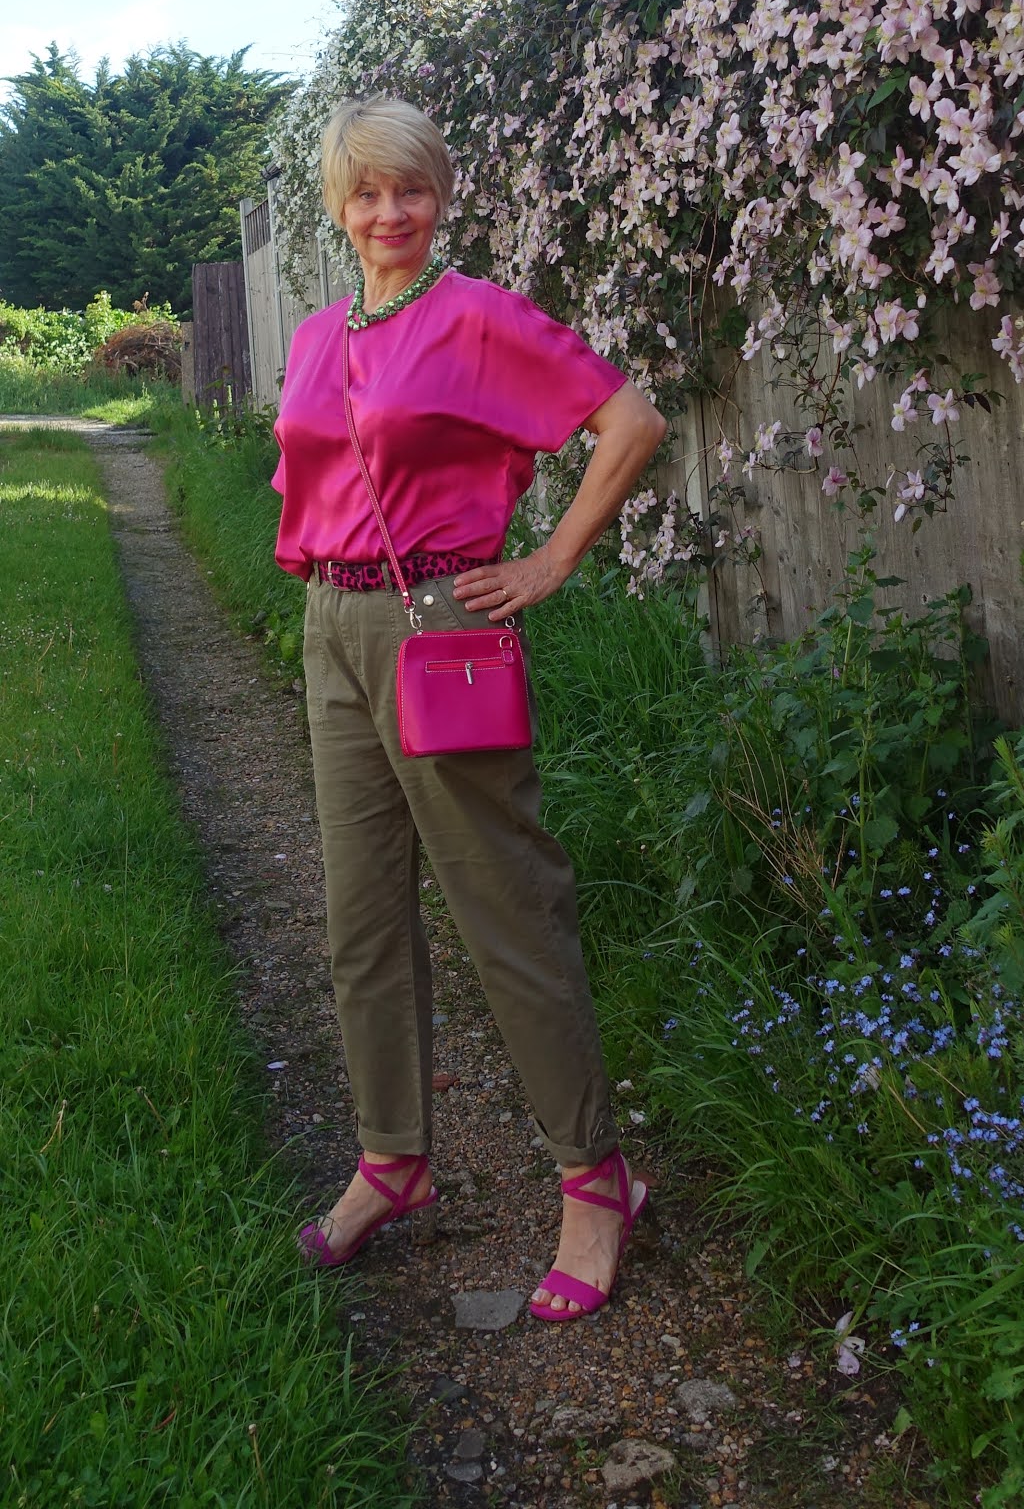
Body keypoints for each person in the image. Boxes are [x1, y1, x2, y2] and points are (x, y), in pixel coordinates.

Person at [271, 93, 666, 1321]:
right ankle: (393, 1157)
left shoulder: (476, 317)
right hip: (330, 630)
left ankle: (594, 1179)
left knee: (507, 909)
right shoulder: (317, 333)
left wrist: (547, 563)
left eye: (411, 189)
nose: (390, 212)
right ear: (339, 208)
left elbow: (629, 421)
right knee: (360, 919)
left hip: (439, 628)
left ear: (437, 197)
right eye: (367, 193)